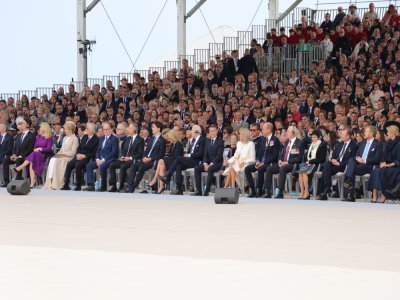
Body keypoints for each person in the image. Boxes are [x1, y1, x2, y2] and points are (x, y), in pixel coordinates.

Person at [159, 125, 205, 195]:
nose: (190, 132)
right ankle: (179, 189)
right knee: (178, 166)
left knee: (178, 158)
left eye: (191, 130)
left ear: (195, 131)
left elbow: (200, 154)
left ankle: (168, 176)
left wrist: (189, 155)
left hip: (196, 161)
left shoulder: (202, 140)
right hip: (190, 159)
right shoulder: (194, 140)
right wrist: (188, 155)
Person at [343, 126, 382, 202]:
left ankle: (350, 193)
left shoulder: (378, 144)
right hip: (359, 164)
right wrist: (358, 158)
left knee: (350, 171)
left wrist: (365, 160)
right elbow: (357, 154)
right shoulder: (363, 143)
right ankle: (349, 188)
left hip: (368, 166)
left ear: (371, 133)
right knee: (351, 160)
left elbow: (377, 159)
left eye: (366, 131)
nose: (364, 133)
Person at [317, 127, 357, 200]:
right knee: (326, 164)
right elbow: (333, 155)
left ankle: (325, 191)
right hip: (335, 165)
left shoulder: (354, 145)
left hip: (345, 167)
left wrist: (340, 164)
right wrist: (333, 160)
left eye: (342, 134)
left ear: (348, 136)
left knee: (325, 170)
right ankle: (328, 187)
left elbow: (352, 160)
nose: (340, 135)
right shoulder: (339, 144)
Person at [264, 126, 305, 199]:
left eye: (288, 131)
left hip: (293, 164)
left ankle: (280, 191)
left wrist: (287, 162)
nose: (286, 133)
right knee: (269, 169)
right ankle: (268, 191)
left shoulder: (299, 143)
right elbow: (281, 154)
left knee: (283, 168)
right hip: (283, 164)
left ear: (293, 133)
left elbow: (299, 158)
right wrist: (280, 160)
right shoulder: (286, 142)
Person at [127, 121, 166, 193]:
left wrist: (150, 158)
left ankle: (134, 186)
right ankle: (130, 186)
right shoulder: (151, 139)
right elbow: (146, 151)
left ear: (158, 129)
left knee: (141, 168)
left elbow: (161, 155)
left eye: (153, 127)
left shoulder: (162, 140)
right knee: (133, 166)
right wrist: (144, 157)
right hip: (145, 159)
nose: (152, 129)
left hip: (153, 161)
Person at [245, 122, 281, 197]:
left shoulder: (275, 140)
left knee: (261, 168)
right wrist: (258, 160)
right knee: (247, 169)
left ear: (269, 130)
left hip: (269, 163)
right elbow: (260, 153)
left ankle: (260, 190)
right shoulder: (263, 140)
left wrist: (264, 163)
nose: (262, 130)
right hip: (260, 162)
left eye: (263, 129)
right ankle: (253, 190)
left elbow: (275, 156)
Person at [61, 122, 99, 191]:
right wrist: (78, 154)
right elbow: (79, 147)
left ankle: (78, 185)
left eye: (87, 128)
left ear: (92, 130)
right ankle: (66, 184)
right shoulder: (85, 136)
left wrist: (84, 156)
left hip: (87, 158)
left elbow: (94, 153)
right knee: (69, 164)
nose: (86, 129)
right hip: (79, 156)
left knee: (78, 165)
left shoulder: (96, 139)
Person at [14, 122, 53, 188]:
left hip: (44, 155)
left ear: (44, 128)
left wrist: (40, 149)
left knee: (34, 156)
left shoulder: (49, 137)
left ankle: (21, 167)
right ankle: (32, 182)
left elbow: (49, 149)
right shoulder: (38, 136)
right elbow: (34, 147)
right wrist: (35, 149)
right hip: (36, 155)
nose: (39, 129)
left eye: (40, 127)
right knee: (32, 161)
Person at [369, 122, 400, 203]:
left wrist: (388, 165)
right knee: (376, 170)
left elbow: (398, 160)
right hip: (389, 164)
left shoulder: (399, 143)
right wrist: (383, 163)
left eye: (388, 132)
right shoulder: (388, 143)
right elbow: (385, 157)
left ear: (393, 133)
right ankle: (375, 195)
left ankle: (384, 194)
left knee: (383, 171)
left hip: (396, 165)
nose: (386, 134)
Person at [108, 123, 144, 192]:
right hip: (125, 159)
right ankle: (114, 186)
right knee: (112, 165)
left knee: (123, 166)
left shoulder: (140, 139)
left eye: (130, 128)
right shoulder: (128, 138)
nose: (128, 129)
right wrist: (122, 156)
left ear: (134, 130)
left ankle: (121, 186)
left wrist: (130, 157)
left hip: (132, 160)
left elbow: (140, 154)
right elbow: (124, 150)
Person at [1, 116, 35, 187]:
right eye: (19, 123)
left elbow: (30, 149)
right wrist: (13, 154)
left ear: (27, 125)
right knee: (5, 160)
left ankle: (18, 178)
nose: (19, 125)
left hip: (26, 157)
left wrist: (19, 156)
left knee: (19, 160)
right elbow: (14, 147)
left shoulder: (32, 135)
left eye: (22, 123)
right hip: (16, 156)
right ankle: (6, 181)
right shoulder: (18, 135)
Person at [44, 121, 79, 190]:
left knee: (58, 161)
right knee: (53, 159)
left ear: (70, 130)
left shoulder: (75, 139)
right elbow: (62, 149)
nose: (64, 131)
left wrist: (63, 154)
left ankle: (57, 183)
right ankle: (50, 183)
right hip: (63, 155)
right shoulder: (65, 138)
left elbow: (73, 152)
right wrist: (57, 154)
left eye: (66, 129)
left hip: (69, 157)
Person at [85, 122, 119, 191]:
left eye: (107, 129)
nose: (105, 131)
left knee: (103, 165)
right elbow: (98, 150)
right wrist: (97, 159)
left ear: (111, 129)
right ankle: (91, 185)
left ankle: (103, 186)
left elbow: (114, 152)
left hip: (110, 159)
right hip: (100, 159)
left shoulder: (114, 139)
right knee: (89, 165)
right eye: (104, 129)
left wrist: (103, 160)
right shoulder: (101, 138)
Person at [148, 129, 183, 194]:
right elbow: (170, 156)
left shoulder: (178, 144)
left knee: (161, 160)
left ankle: (154, 180)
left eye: (169, 137)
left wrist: (166, 159)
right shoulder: (172, 144)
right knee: (161, 166)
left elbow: (176, 157)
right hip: (171, 162)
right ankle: (161, 187)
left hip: (175, 163)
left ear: (173, 137)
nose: (168, 139)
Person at [193, 124, 224, 196]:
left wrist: (210, 164)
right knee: (197, 168)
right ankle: (199, 190)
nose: (212, 132)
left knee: (210, 169)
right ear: (209, 132)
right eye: (211, 131)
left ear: (217, 131)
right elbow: (205, 155)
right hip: (208, 163)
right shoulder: (207, 142)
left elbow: (219, 156)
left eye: (214, 131)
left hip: (217, 163)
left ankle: (206, 190)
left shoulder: (220, 141)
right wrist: (205, 164)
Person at [297, 130, 327, 200]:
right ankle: (302, 192)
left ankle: (307, 192)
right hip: (309, 164)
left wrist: (310, 161)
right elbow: (306, 156)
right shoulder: (310, 145)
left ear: (319, 137)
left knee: (304, 173)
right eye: (312, 137)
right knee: (300, 172)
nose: (312, 139)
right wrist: (306, 161)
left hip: (317, 165)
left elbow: (321, 159)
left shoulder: (322, 145)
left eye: (314, 137)